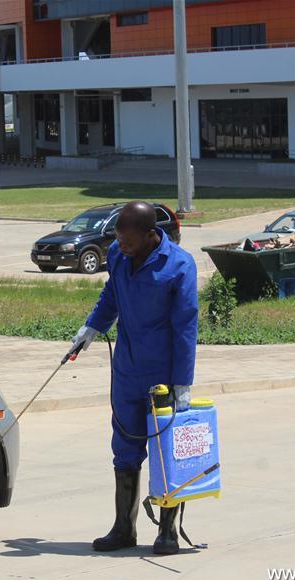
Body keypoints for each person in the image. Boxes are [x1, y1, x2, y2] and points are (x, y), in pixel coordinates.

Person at [69, 201, 198, 556]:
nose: (120, 245)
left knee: (164, 453)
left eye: (127, 240)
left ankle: (167, 531)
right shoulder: (119, 255)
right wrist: (93, 326)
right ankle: (123, 527)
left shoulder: (179, 266)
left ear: (149, 234)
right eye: (118, 238)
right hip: (126, 370)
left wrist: (182, 382)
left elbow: (186, 326)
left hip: (162, 375)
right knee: (124, 448)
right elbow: (111, 294)